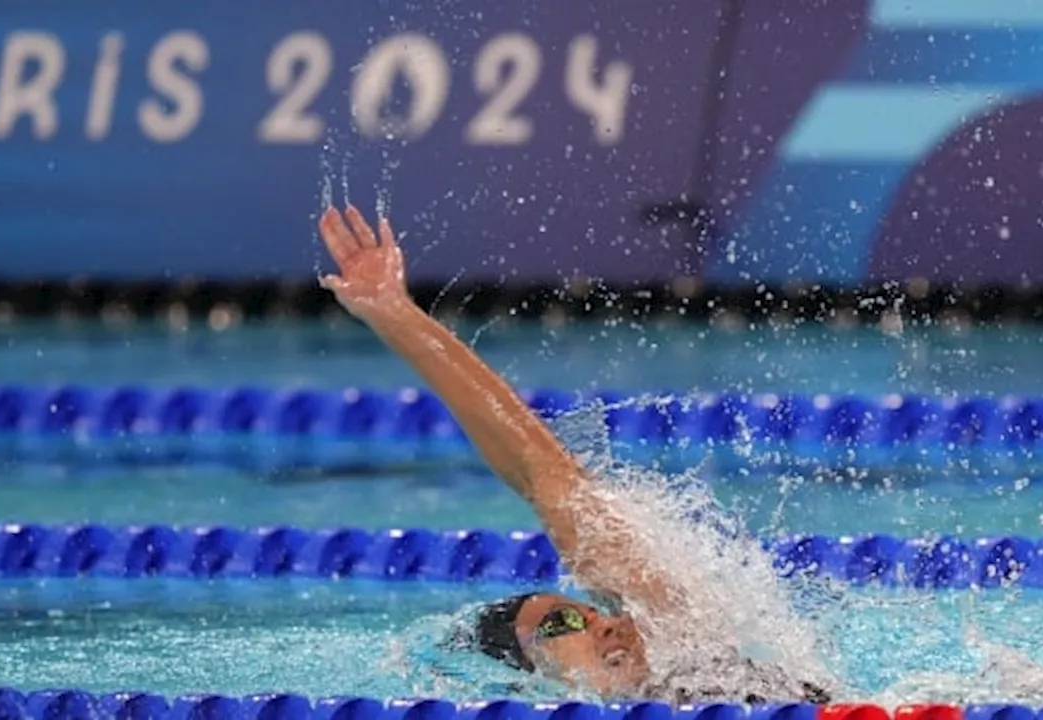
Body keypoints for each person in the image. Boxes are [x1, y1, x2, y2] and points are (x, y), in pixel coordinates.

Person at [315, 204, 833, 702]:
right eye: (560, 625)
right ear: (537, 685)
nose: (606, 623)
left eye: (583, 611)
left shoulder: (686, 640)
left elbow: (540, 472)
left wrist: (397, 315)